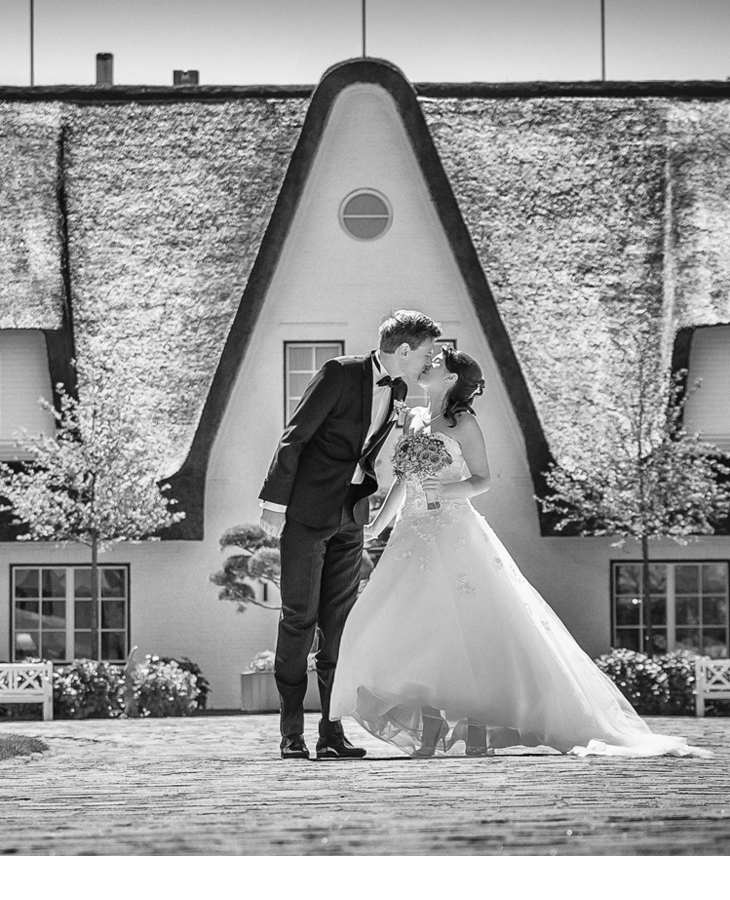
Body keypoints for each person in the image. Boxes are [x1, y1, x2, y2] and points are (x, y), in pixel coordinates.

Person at [330, 347, 712, 759]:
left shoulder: (463, 423)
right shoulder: (416, 419)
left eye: (437, 361)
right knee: (415, 628)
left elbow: (482, 480)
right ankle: (431, 721)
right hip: (411, 534)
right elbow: (404, 482)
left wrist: (447, 489)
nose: (428, 363)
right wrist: (376, 526)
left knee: (468, 630)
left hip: (453, 531)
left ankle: (474, 725)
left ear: (453, 378)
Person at [259, 310, 443, 759]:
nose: (430, 360)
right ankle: (291, 733)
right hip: (306, 513)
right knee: (298, 619)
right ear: (403, 350)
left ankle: (331, 732)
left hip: (351, 514)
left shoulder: (398, 389)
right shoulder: (339, 373)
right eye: (426, 353)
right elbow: (295, 436)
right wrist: (274, 503)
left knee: (339, 626)